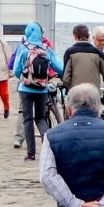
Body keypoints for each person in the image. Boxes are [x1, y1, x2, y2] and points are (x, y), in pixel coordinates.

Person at [14, 22, 64, 160]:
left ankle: (31, 153)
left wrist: (24, 78)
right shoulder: (46, 48)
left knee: (28, 119)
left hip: (25, 89)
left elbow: (16, 70)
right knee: (41, 118)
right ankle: (48, 148)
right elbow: (59, 67)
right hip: (42, 89)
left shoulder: (23, 48)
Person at [61, 25, 104, 122]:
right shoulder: (98, 53)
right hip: (93, 95)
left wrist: (72, 89)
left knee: (72, 120)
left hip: (76, 95)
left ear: (75, 36)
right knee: (94, 120)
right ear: (88, 36)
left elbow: (66, 78)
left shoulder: (70, 52)